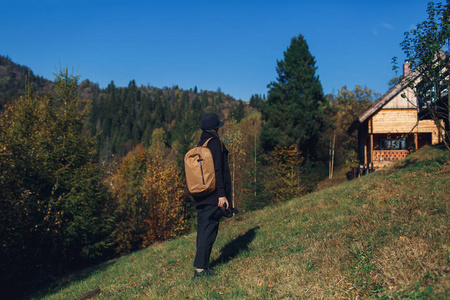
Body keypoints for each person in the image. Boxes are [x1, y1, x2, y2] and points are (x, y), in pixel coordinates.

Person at [192, 113, 232, 280]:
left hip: (201, 194)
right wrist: (222, 195)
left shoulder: (201, 144)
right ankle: (201, 271)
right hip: (213, 195)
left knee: (203, 230)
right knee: (209, 231)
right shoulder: (214, 143)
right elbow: (217, 171)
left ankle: (201, 267)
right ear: (215, 128)